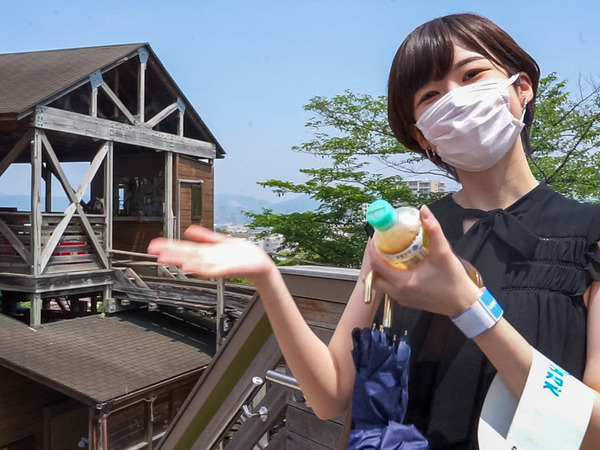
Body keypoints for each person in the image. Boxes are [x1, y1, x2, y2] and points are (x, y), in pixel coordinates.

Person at [148, 13, 600, 449]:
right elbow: (329, 395)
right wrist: (268, 278)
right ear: (423, 134)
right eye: (431, 95)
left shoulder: (589, 234)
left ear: (522, 88)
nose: (456, 99)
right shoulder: (401, 238)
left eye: (471, 75)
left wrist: (468, 307)